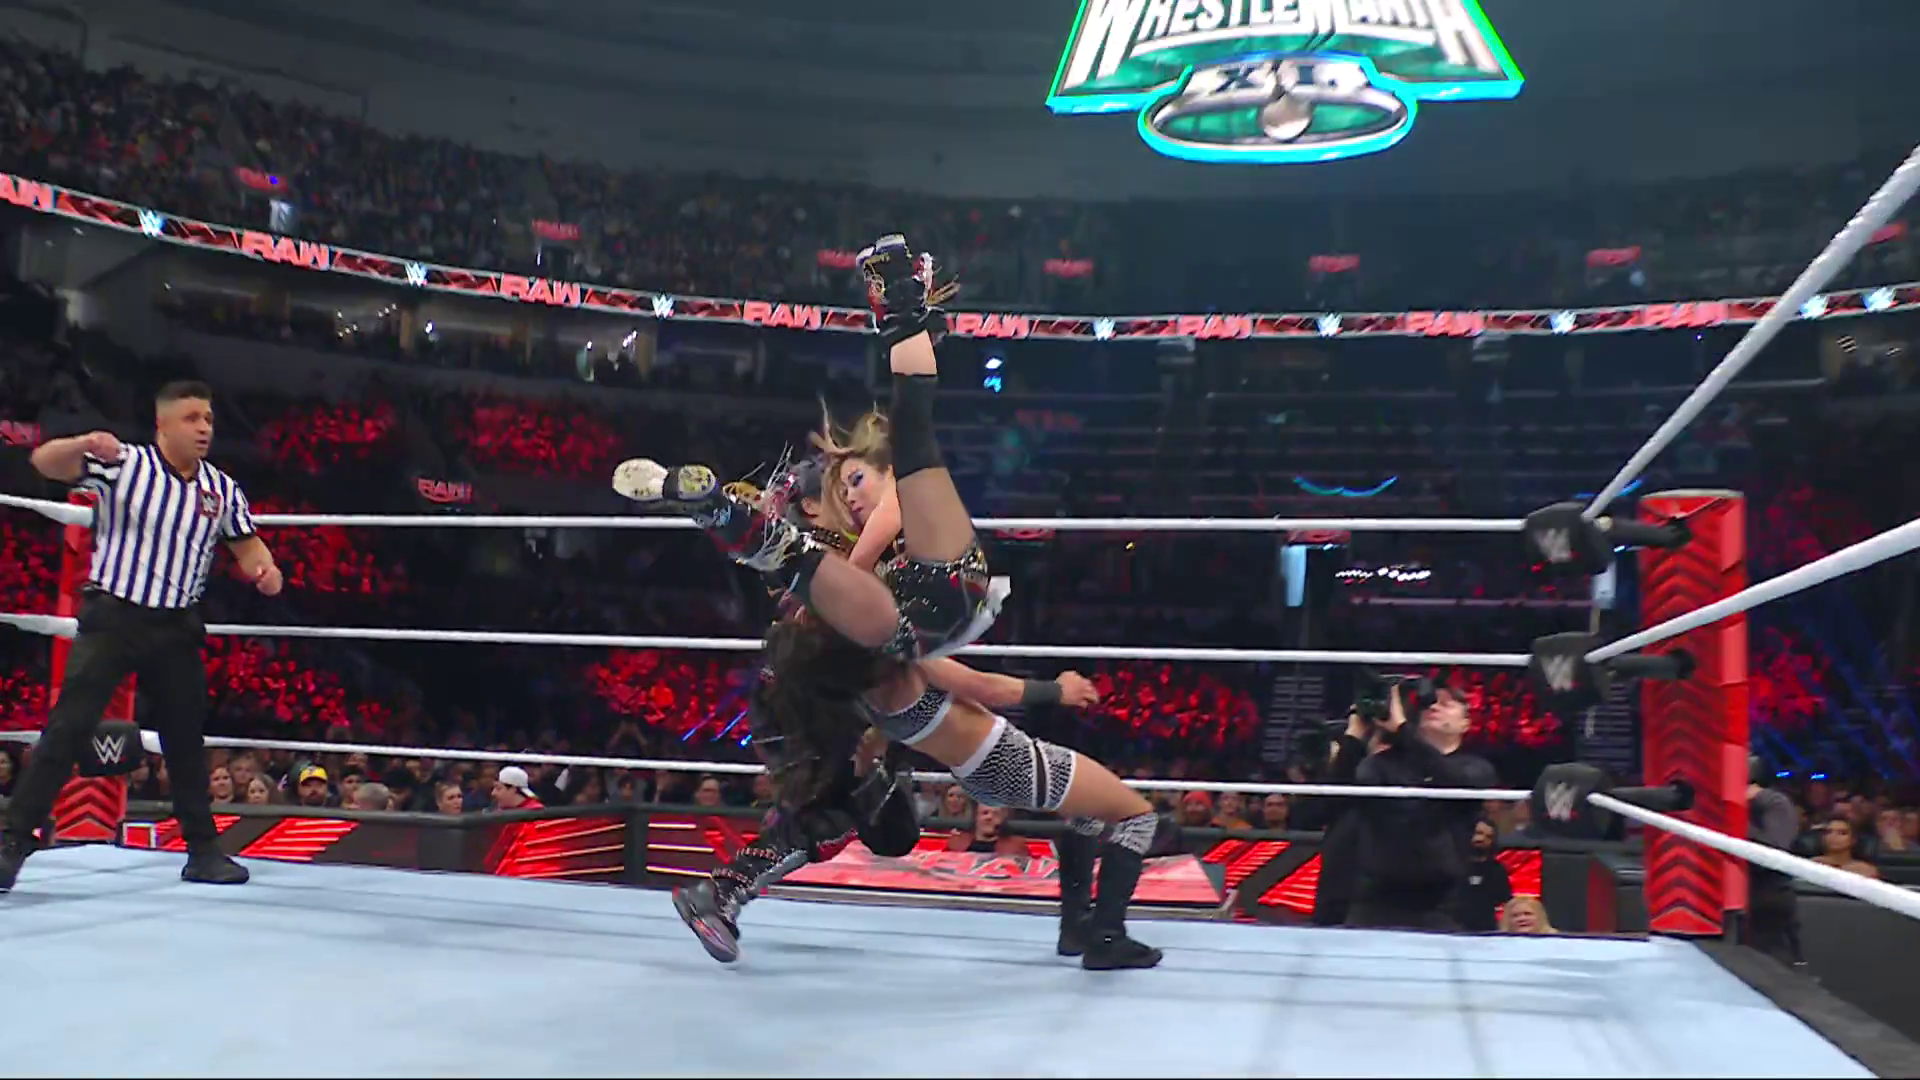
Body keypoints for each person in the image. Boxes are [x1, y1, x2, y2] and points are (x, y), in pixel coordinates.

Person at [616, 235, 1170, 968]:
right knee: (1125, 814)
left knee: (857, 515)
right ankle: (1099, 935)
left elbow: (875, 533)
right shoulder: (872, 547)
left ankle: (729, 510)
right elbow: (947, 656)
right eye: (841, 485)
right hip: (916, 642)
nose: (851, 493)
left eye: (856, 480)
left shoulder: (869, 556)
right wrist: (1049, 689)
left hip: (911, 621)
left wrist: (816, 560)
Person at [2, 381, 277, 892]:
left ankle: (202, 852)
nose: (203, 428)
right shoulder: (125, 464)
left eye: (208, 418)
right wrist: (84, 442)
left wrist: (266, 570)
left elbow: (249, 546)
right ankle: (12, 843)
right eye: (192, 418)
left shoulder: (221, 489)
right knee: (67, 728)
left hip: (176, 626)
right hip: (115, 617)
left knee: (186, 741)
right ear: (163, 424)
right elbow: (44, 462)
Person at [1347, 680, 1498, 931]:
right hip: (1376, 899)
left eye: (1446, 704)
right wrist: (1354, 737)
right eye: (1429, 703)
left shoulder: (1474, 767)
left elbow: (1457, 783)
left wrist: (1403, 731)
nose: (1434, 707)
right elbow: (1337, 799)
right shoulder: (1383, 763)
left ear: (1465, 723)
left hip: (1441, 902)